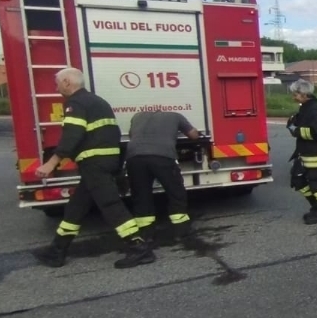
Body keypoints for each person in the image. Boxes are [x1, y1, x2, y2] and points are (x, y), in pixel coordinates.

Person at [33, 68, 155, 269]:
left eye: (57, 84)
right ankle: (57, 250)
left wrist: (51, 162)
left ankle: (139, 248)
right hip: (104, 161)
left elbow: (72, 135)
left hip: (94, 163)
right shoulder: (97, 101)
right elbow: (114, 132)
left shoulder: (76, 103)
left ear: (67, 82)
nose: (56, 88)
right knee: (76, 207)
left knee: (110, 205)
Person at [126, 110, 200, 236]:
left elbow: (131, 135)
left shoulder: (137, 116)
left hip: (134, 157)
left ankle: (146, 232)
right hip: (162, 156)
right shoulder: (175, 116)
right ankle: (181, 229)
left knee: (141, 194)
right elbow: (193, 135)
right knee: (175, 191)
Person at [287, 79, 317, 224]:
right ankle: (316, 206)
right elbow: (304, 121)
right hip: (305, 152)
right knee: (297, 180)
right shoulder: (306, 107)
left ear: (304, 94)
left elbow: (316, 133)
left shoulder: (314, 109)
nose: (293, 97)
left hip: (314, 154)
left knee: (316, 184)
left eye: (295, 94)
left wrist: (296, 131)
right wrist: (295, 120)